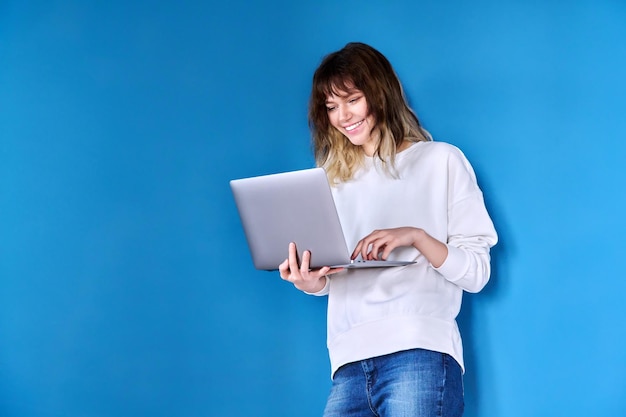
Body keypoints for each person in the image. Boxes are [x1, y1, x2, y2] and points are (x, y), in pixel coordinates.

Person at [278, 42, 498, 417]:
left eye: (352, 100)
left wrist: (416, 236)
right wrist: (310, 281)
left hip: (418, 353)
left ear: (380, 94)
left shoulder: (440, 160)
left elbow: (477, 274)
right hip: (347, 364)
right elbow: (334, 277)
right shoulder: (332, 182)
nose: (342, 116)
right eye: (331, 107)